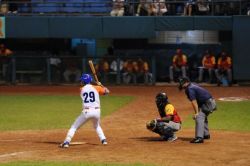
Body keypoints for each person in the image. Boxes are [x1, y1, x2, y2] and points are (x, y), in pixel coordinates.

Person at [60, 74, 110, 148]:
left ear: (84, 81)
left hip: (87, 112)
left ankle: (66, 142)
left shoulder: (81, 89)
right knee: (96, 126)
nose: (81, 82)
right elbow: (107, 92)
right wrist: (101, 85)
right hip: (97, 112)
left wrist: (98, 86)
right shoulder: (97, 88)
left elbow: (89, 88)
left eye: (82, 81)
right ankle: (104, 140)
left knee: (74, 127)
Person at [178, 77, 216, 143]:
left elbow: (194, 101)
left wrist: (196, 113)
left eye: (182, 83)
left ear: (187, 82)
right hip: (207, 103)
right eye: (181, 83)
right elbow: (198, 100)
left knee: (199, 117)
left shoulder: (190, 89)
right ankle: (205, 134)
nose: (181, 85)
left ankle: (199, 137)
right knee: (203, 116)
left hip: (208, 104)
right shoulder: (191, 86)